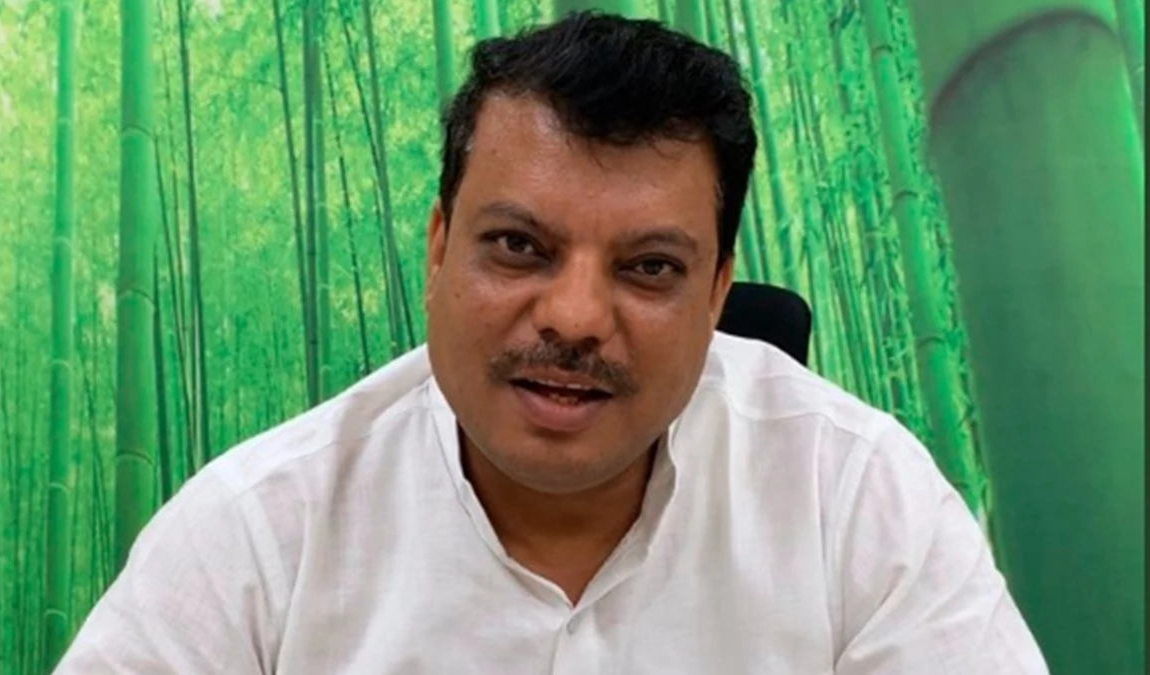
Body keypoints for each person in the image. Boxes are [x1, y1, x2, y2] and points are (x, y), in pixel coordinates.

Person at [56, 11, 1049, 674]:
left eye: (648, 267)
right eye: (519, 247)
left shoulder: (857, 495)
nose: (574, 318)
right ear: (439, 247)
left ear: (717, 290)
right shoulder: (257, 533)